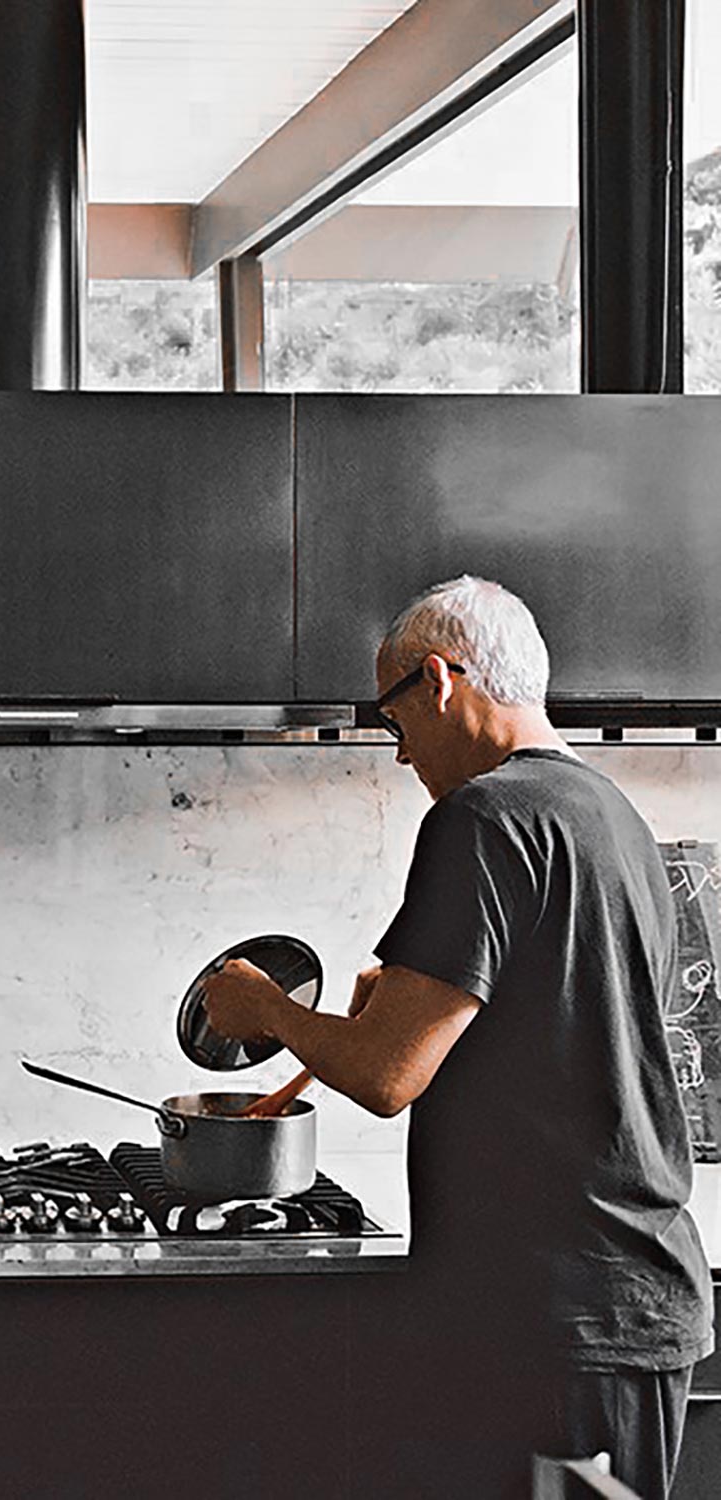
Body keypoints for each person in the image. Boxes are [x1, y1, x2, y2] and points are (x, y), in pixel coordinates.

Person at [201, 576, 713, 1500]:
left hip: (553, 1316)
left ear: (439, 680)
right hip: (625, 1297)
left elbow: (389, 1076)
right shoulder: (615, 820)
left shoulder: (482, 817)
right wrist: (400, 1003)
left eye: (392, 723)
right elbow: (568, 1029)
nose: (398, 755)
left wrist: (267, 1009)